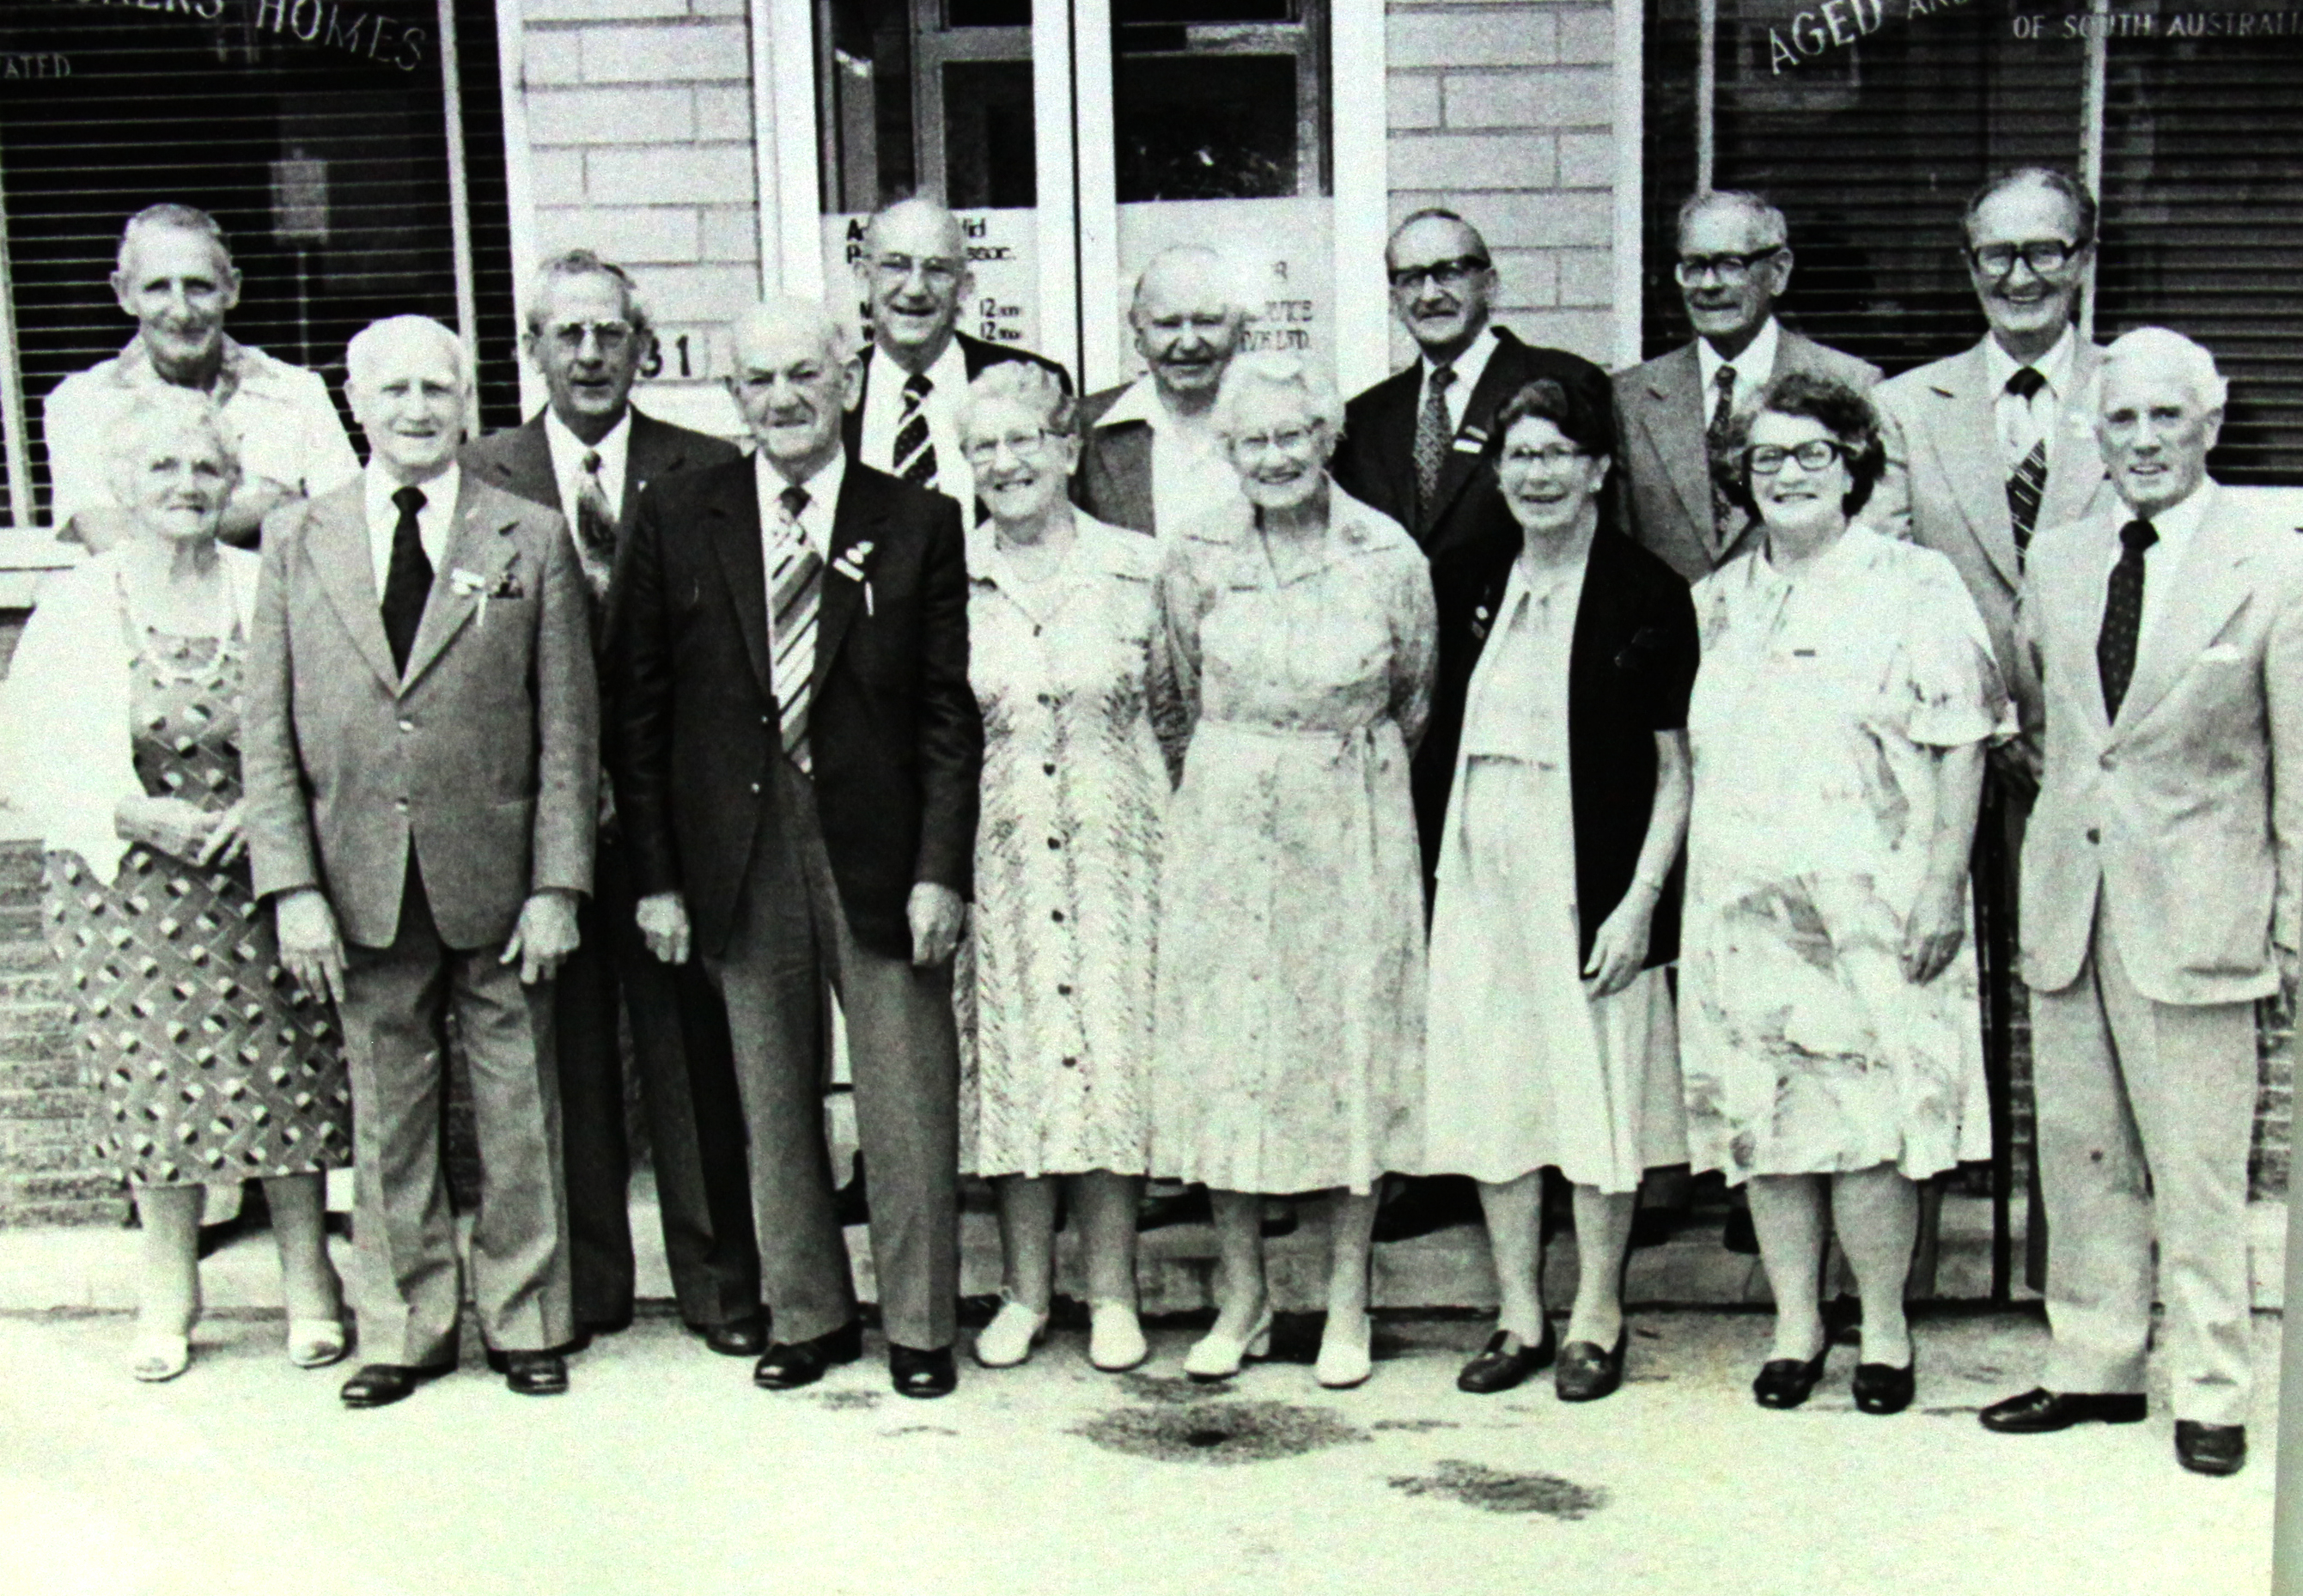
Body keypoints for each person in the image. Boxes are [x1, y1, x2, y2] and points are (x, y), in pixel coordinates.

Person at [612, 298, 982, 1400]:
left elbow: (945, 713)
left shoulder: (915, 518)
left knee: (905, 1093)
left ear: (845, 382)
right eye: (759, 379)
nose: (782, 398)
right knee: (769, 1095)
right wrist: (658, 878)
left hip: (877, 842)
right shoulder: (679, 513)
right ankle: (806, 1313)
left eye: (804, 375)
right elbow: (639, 711)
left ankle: (919, 1326)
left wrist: (940, 868)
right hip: (737, 844)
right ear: (734, 395)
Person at [242, 314, 598, 1408]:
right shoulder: (298, 537)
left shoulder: (528, 534)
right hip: (358, 876)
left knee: (518, 1108)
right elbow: (268, 730)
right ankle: (402, 1328)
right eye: (392, 390)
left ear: (466, 403)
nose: (414, 409)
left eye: (435, 389)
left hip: (498, 877)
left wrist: (557, 883)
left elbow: (567, 730)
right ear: (355, 404)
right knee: (386, 1110)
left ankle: (528, 1320)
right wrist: (292, 887)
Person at [1982, 328, 2303, 1478]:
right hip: (2072, 904)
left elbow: (2298, 763)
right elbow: (2052, 731)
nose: (2145, 439)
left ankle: (2212, 1388)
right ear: (2094, 434)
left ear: (2209, 424)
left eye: (2167, 416)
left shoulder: (2272, 563)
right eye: (2121, 419)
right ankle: (2095, 1364)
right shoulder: (2060, 559)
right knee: (2081, 1157)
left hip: (2202, 913)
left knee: (2199, 1168)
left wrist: (2292, 918)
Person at [1, 389, 350, 1383]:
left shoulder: (266, 582)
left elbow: (328, 719)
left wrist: (271, 812)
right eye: (162, 467)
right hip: (128, 893)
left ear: (233, 481)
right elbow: (23, 751)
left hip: (257, 877)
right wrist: (130, 813)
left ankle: (309, 1281)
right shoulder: (80, 602)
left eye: (204, 467)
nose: (186, 485)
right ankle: (168, 1290)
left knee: (290, 1070)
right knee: (153, 1080)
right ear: (122, 484)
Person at [1679, 372, 2005, 1416]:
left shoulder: (1914, 582)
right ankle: (1794, 1325)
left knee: (1868, 1122)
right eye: (1765, 458)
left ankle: (1884, 1327)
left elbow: (1964, 744)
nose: (1787, 474)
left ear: (1853, 467)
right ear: (1739, 476)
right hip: (1742, 904)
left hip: (1876, 904)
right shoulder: (1716, 599)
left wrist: (1942, 888)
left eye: (1811, 453)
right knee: (1767, 1120)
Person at [462, 250, 763, 1358]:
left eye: (610, 334)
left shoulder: (707, 465)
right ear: (531, 349)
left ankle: (720, 1287)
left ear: (645, 347)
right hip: (534, 816)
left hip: (671, 816)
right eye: (567, 334)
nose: (590, 354)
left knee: (689, 1055)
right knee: (566, 1053)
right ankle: (586, 1287)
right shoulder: (481, 474)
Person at [1330, 207, 1618, 1245]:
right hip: (1409, 715)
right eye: (1409, 276)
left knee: (1544, 949)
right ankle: (1446, 1150)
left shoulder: (1559, 382)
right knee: (1440, 946)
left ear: (1489, 280)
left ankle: (1564, 1157)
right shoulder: (1366, 419)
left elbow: (1600, 542)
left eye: (1452, 270)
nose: (1432, 291)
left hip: (1529, 697)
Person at [1148, 352, 1435, 1391]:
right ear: (1226, 450)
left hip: (1350, 819)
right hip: (1226, 824)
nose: (1273, 457)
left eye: (1292, 436)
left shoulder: (1385, 552)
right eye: (1252, 441)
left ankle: (1347, 1301)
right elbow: (1173, 697)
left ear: (1326, 439)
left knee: (1349, 1047)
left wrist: (1329, 769)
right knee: (1232, 1052)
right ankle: (1243, 1299)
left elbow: (1413, 695)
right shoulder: (1194, 553)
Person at [1418, 378, 1697, 1400]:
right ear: (1497, 472)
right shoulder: (1464, 577)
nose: (1536, 475)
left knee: (1596, 1094)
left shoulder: (1644, 591)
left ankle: (1595, 1314)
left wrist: (1639, 902)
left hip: (1589, 875)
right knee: (1496, 1087)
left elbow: (1676, 771)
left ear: (1597, 470)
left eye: (1556, 455)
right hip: (1475, 869)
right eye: (1519, 456)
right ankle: (1517, 1312)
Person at [1867, 168, 2117, 1290]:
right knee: (1918, 991)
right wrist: (1987, 716)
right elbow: (1887, 577)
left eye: (2044, 250)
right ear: (1968, 267)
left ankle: (2075, 1282)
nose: (2020, 276)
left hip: (2085, 754)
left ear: (2082, 260)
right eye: (1995, 255)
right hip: (1946, 753)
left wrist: (2056, 721)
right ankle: (1902, 1279)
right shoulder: (1907, 406)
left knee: (2078, 1012)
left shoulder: (2130, 393)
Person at [953, 361, 1180, 1374]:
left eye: (1024, 441)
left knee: (1111, 1062)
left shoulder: (1138, 568)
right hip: (999, 853)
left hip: (1120, 852)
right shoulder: (951, 577)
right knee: (1017, 1060)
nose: (1006, 463)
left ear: (1066, 450)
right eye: (983, 447)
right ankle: (1024, 1292)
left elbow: (1176, 711)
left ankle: (1113, 1293)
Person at [43, 204, 359, 552]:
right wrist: (266, 508)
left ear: (232, 289)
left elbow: (344, 529)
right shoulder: (80, 404)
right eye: (158, 288)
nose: (181, 311)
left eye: (199, 287)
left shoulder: (298, 394)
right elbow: (118, 549)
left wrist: (171, 528)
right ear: (124, 294)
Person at [1616, 191, 1882, 586]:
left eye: (1730, 265)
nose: (1708, 285)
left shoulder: (1851, 384)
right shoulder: (1629, 398)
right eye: (1694, 266)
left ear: (1779, 271)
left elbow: (1868, 544)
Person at [843, 196, 1071, 512]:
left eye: (937, 269)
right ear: (863, 276)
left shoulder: (1031, 381)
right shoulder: (832, 392)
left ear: (965, 286)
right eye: (896, 265)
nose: (915, 289)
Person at [1075, 247, 1252, 538]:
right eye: (1168, 324)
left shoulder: (1286, 421)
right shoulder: (1084, 427)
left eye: (1207, 321)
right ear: (1139, 332)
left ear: (1240, 329)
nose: (1189, 343)